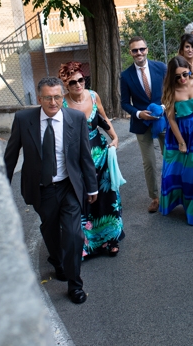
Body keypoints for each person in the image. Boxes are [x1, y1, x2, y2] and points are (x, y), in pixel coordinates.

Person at [4, 77, 98, 304]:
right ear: (39, 98)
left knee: (75, 234)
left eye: (57, 97)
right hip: (41, 188)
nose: (54, 102)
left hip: (68, 186)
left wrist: (92, 185)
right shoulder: (24, 119)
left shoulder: (75, 118)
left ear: (62, 96)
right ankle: (57, 261)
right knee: (50, 231)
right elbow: (11, 154)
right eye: (48, 97)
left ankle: (75, 285)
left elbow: (85, 155)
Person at [60, 62, 124, 258]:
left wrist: (115, 137)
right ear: (66, 86)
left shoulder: (94, 96)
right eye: (73, 82)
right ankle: (86, 245)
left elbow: (103, 119)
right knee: (84, 201)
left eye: (81, 80)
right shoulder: (62, 104)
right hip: (79, 161)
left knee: (107, 198)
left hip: (101, 156)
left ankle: (110, 240)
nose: (79, 85)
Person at [160, 56, 193, 226]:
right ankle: (180, 202)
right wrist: (181, 141)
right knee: (178, 172)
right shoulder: (171, 90)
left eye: (185, 74)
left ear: (190, 69)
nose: (182, 79)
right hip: (180, 134)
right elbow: (171, 119)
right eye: (177, 77)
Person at [120, 36, 167, 213]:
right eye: (135, 50)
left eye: (142, 49)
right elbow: (124, 103)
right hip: (141, 124)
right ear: (130, 52)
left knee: (169, 157)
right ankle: (154, 197)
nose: (139, 53)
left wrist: (162, 107)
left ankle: (172, 193)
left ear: (147, 49)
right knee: (149, 162)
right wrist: (139, 114)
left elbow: (172, 91)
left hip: (162, 120)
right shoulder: (125, 76)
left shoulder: (161, 68)